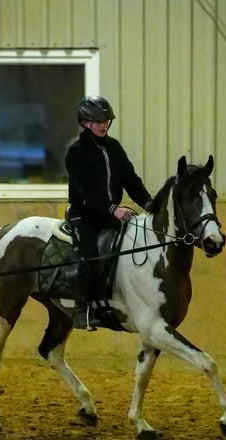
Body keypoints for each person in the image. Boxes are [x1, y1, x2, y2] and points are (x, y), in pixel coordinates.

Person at [65, 95, 153, 330]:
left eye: (106, 120)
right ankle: (82, 309)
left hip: (109, 214)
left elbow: (130, 179)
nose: (103, 125)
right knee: (91, 254)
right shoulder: (75, 152)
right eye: (98, 121)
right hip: (83, 214)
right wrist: (112, 209)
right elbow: (86, 192)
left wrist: (149, 203)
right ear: (85, 123)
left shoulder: (114, 148)